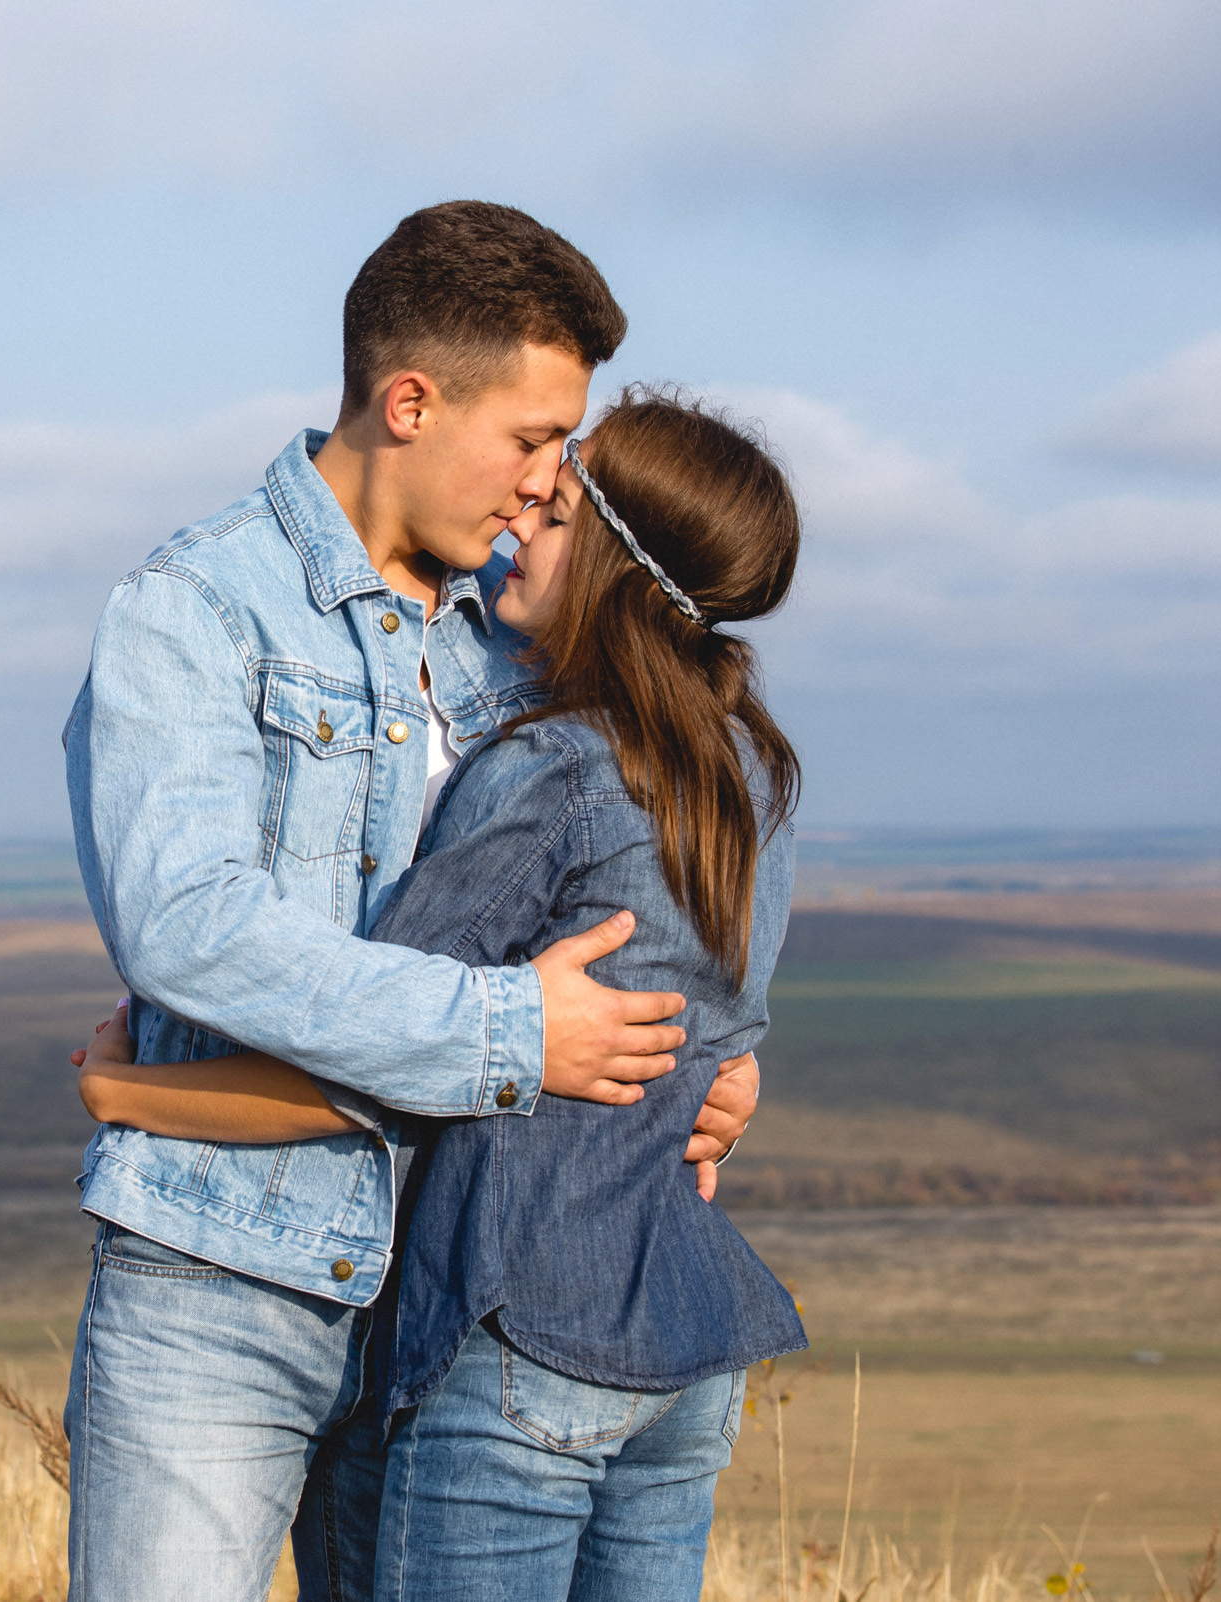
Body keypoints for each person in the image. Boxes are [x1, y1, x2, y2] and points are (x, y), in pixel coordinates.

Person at [60, 202, 761, 1602]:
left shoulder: (528, 637)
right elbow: (190, 924)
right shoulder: (196, 610)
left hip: (453, 1305)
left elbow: (641, 875)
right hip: (224, 1281)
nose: (549, 483)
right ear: (411, 402)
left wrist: (707, 1058)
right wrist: (515, 1034)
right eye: (533, 438)